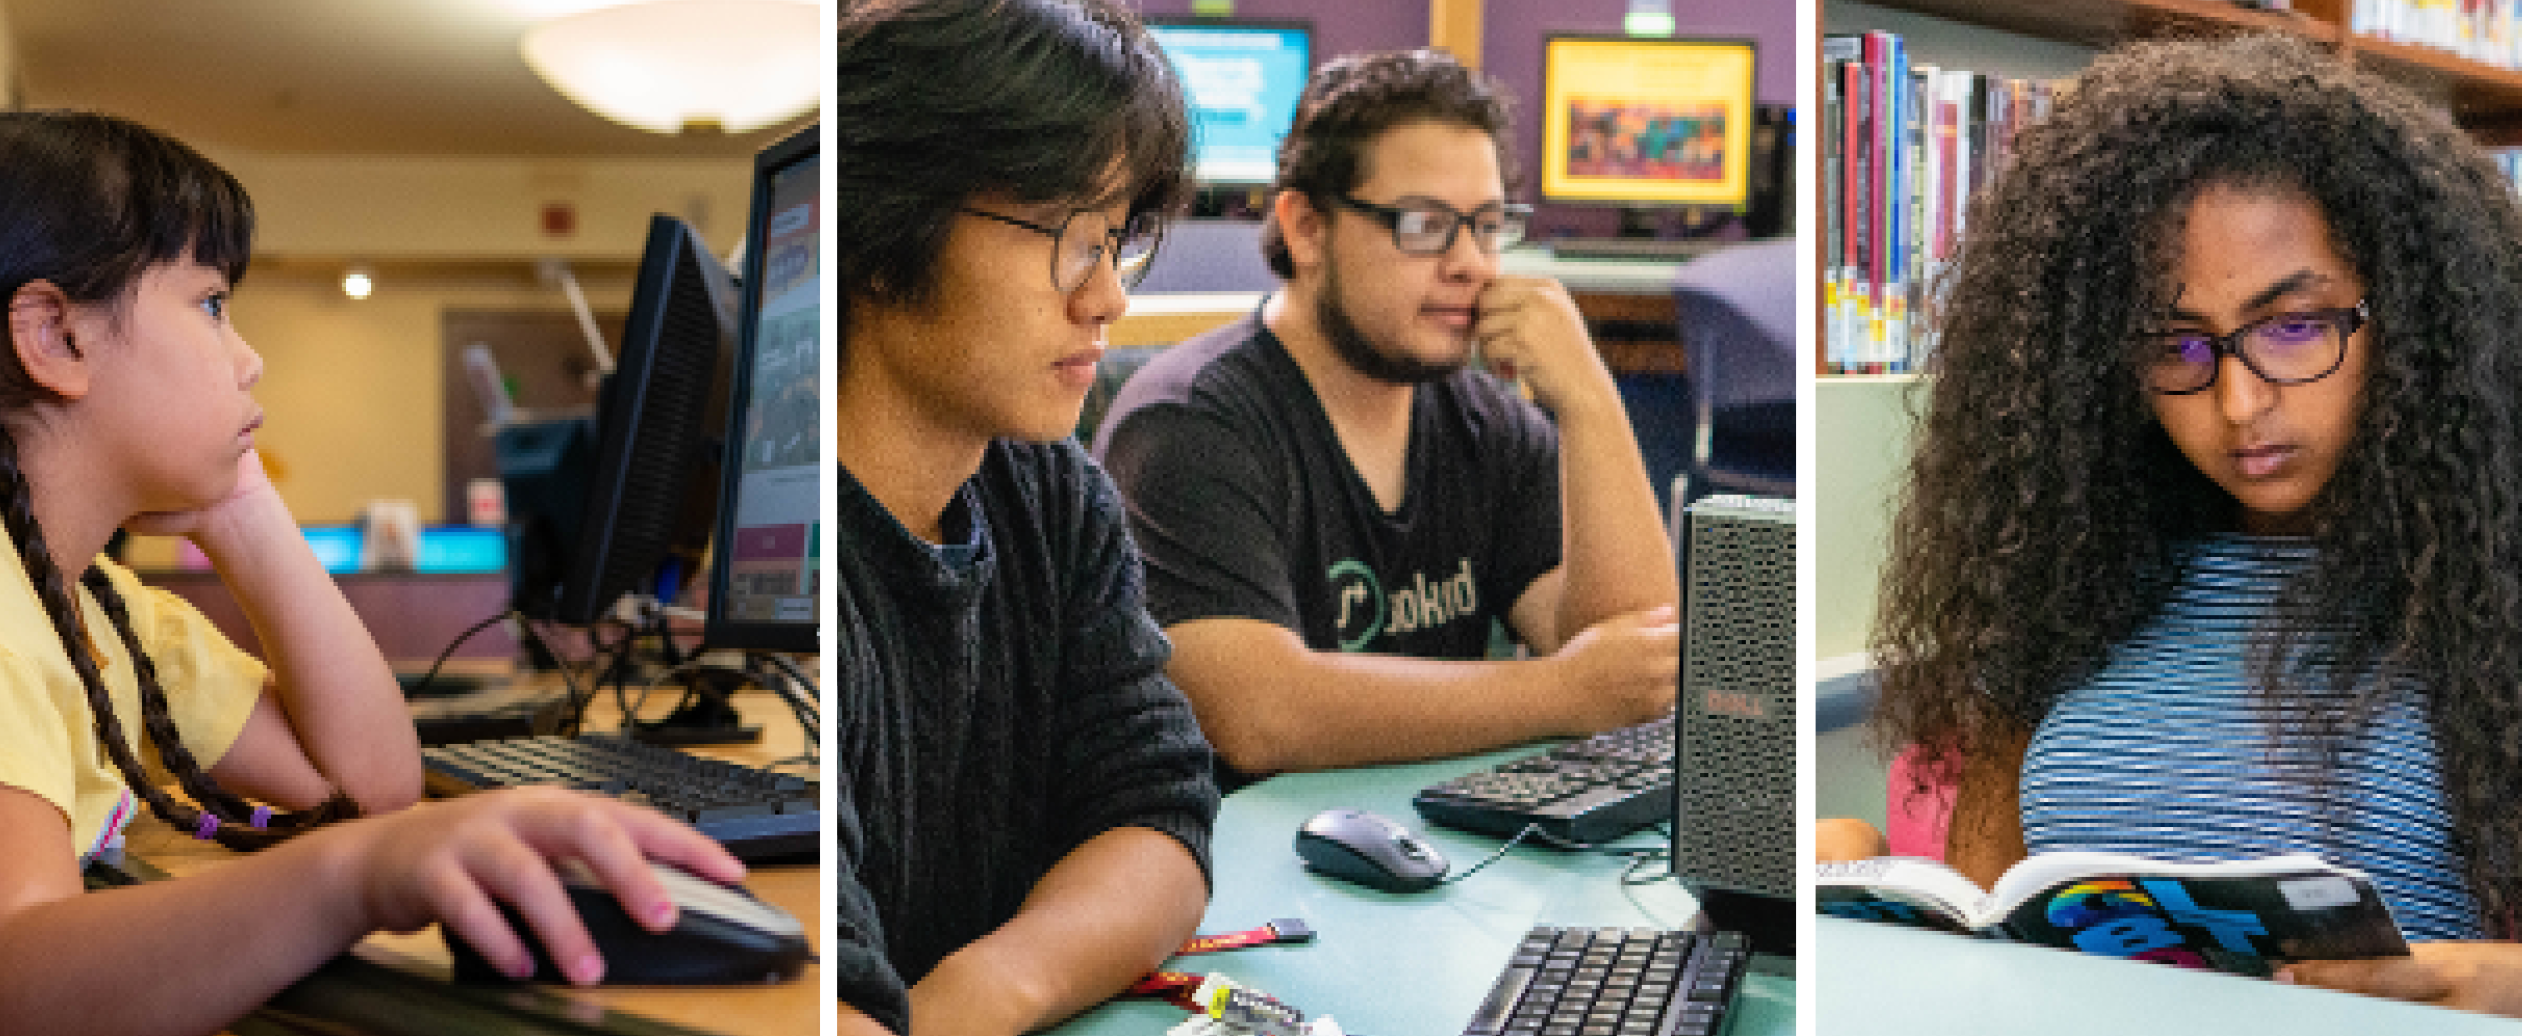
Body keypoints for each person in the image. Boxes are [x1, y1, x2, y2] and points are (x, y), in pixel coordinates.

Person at [0, 111, 744, 1036]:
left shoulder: (105, 611)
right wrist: (355, 876)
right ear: (56, 339)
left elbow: (366, 783)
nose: (249, 357)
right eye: (211, 304)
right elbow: (17, 980)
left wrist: (245, 512)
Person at [1824, 34, 2522, 1016]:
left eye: (2292, 325)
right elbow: (1989, 937)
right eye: (2174, 343)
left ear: (2415, 317)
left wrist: (2490, 983)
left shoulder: (2489, 590)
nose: (2237, 403)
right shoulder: (2069, 585)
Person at [1093, 49, 1680, 787]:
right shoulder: (1189, 424)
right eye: (1426, 226)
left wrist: (1590, 401)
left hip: (1434, 861)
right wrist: (1562, 692)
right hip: (1245, 876)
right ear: (1307, 228)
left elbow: (1636, 664)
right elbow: (1256, 715)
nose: (1472, 263)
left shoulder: (1482, 422)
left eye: (1489, 226)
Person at [835, 2, 1220, 1033]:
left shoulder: (1048, 494)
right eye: (1066, 238)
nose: (1107, 300)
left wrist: (992, 987)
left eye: (1114, 241)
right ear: (882, 234)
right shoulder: (798, 571)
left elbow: (1158, 807)